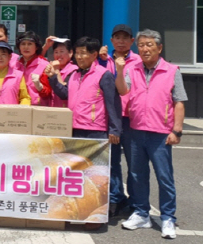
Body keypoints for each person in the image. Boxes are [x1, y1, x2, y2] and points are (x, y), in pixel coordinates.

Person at [118, 30, 187, 240]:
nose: (145, 49)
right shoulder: (132, 68)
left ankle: (168, 217)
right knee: (137, 175)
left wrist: (176, 130)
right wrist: (120, 71)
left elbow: (179, 102)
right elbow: (122, 91)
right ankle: (141, 213)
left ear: (159, 48)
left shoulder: (171, 70)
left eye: (149, 45)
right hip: (136, 130)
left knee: (164, 177)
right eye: (141, 45)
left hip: (160, 133)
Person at [46, 36, 122, 142]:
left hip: (95, 130)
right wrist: (52, 78)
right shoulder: (74, 74)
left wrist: (115, 129)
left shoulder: (103, 74)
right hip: (73, 127)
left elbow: (113, 103)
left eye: (82, 53)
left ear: (94, 55)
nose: (79, 57)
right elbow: (65, 94)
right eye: (77, 53)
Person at [101, 24, 141, 217]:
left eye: (125, 38)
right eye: (117, 37)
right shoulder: (103, 60)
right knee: (112, 162)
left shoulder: (139, 61)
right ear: (111, 40)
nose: (121, 41)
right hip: (110, 117)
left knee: (134, 164)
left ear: (132, 41)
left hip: (132, 119)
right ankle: (116, 198)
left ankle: (135, 202)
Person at [16, 31, 52, 105]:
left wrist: (39, 86)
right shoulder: (14, 64)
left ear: (36, 47)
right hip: (17, 107)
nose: (26, 47)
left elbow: (48, 92)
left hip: (37, 107)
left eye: (30, 44)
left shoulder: (44, 65)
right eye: (23, 44)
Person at [48, 38, 78, 108]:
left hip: (66, 110)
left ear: (70, 53)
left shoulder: (74, 70)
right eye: (56, 52)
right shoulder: (51, 68)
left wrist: (56, 71)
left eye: (61, 51)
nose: (58, 55)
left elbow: (64, 93)